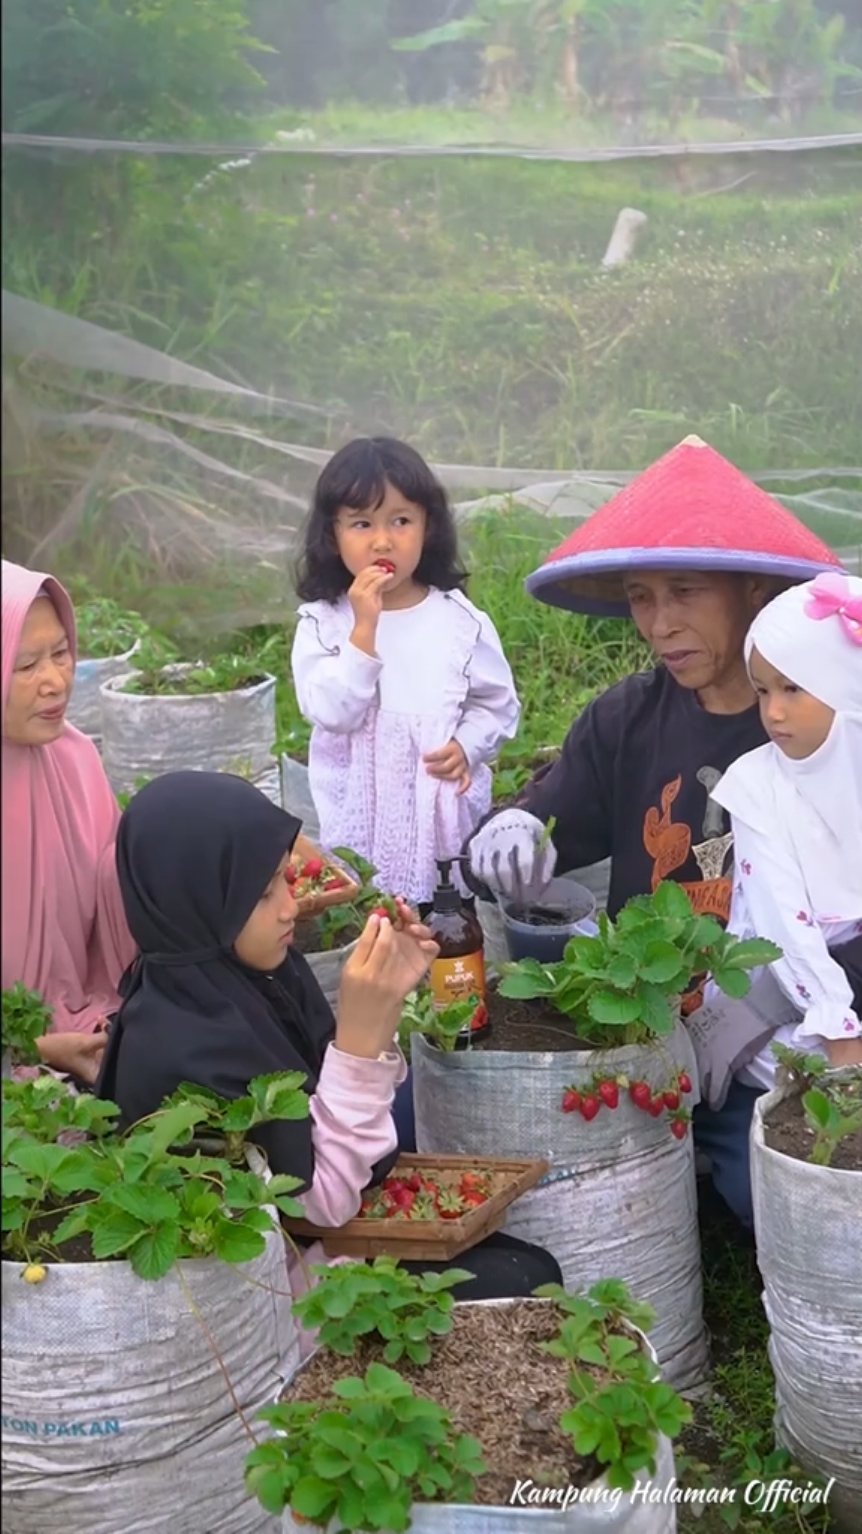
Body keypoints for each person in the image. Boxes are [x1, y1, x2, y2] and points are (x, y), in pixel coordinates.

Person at [462, 436, 844, 1223]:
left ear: (748, 591)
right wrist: (513, 828)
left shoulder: (821, 729)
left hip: (787, 1030)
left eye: (685, 592)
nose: (661, 623)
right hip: (648, 1020)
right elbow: (554, 819)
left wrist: (770, 994)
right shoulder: (627, 719)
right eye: (641, 597)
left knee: (765, 1198)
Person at [96, 772, 562, 1306]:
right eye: (263, 892)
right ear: (200, 898)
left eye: (283, 880)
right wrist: (361, 1040)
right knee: (524, 1281)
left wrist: (383, 1009)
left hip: (322, 1245)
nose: (291, 906)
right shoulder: (175, 1044)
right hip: (271, 1298)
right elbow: (318, 1202)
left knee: (530, 1268)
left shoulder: (259, 979)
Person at [693, 574, 862, 1213]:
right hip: (787, 1007)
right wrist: (843, 1037)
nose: (774, 712)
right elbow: (784, 928)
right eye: (764, 691)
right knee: (789, 1174)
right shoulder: (758, 787)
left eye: (794, 688)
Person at [291, 436, 520, 908]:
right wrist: (364, 630)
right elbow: (332, 712)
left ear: (427, 527)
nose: (382, 540)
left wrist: (467, 744)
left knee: (445, 919)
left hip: (436, 811)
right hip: (360, 808)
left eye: (401, 520)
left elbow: (496, 704)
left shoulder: (459, 622)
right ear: (332, 534)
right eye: (361, 523)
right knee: (367, 914)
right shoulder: (325, 623)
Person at [2, 559, 134, 1083]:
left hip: (89, 1025)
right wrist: (31, 1047)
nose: (55, 681)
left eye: (61, 654)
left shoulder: (75, 759)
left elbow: (120, 881)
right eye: (26, 664)